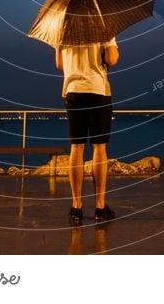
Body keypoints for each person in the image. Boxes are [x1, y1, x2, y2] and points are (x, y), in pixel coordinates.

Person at [56, 36, 119, 223]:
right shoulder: (103, 25)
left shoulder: (63, 28)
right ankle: (100, 207)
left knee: (77, 147)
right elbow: (112, 59)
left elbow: (59, 63)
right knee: (99, 147)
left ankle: (76, 208)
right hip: (97, 89)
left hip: (73, 90)